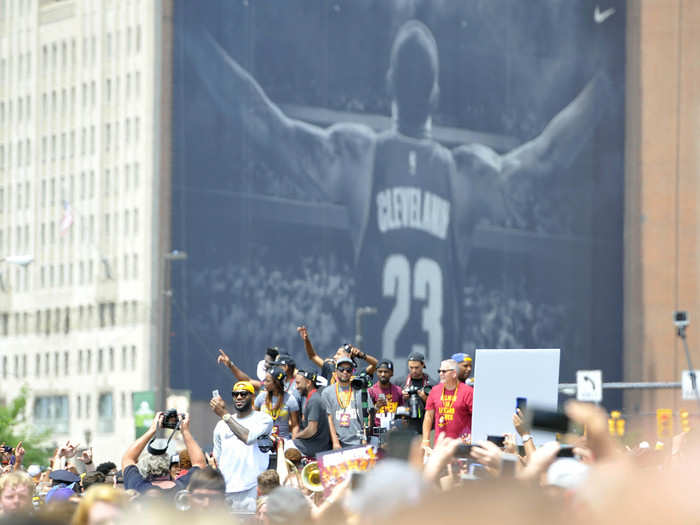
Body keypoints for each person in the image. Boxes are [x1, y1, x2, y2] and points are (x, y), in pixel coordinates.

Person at [185, 18, 613, 375]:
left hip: (374, 392)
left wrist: (192, 36)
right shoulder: (467, 174)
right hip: (438, 400)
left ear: (389, 84)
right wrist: (610, 80)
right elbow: (547, 158)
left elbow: (264, 123)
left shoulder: (358, 158)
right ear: (437, 94)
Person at [210, 380, 274, 508]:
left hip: (253, 488)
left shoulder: (263, 419)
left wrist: (224, 414)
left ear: (253, 397)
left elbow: (248, 438)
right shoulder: (221, 425)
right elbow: (216, 460)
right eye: (235, 394)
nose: (239, 397)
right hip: (227, 490)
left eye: (244, 394)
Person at [121, 412, 206, 494]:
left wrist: (152, 430)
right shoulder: (183, 488)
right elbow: (199, 464)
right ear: (169, 468)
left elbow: (127, 459)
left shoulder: (138, 487)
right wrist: (185, 431)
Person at [322, 357, 375, 448]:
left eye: (348, 370)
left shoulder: (361, 390)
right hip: (339, 443)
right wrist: (335, 442)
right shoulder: (327, 392)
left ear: (352, 371)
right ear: (336, 371)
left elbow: (368, 415)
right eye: (341, 369)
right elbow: (329, 418)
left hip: (359, 441)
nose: (345, 372)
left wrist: (364, 438)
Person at [298, 325, 378, 383]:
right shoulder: (330, 368)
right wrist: (306, 340)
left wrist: (362, 355)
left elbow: (376, 365)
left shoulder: (356, 374)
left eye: (338, 354)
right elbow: (313, 356)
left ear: (348, 356)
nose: (334, 356)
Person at [423, 359, 473, 446]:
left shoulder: (468, 392)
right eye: (439, 371)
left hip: (461, 445)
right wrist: (425, 441)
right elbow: (428, 416)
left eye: (444, 371)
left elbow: (476, 418)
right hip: (440, 445)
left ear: (454, 373)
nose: (440, 374)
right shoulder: (434, 390)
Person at [254, 366, 300, 442]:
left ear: (276, 383)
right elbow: (254, 420)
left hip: (283, 442)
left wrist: (292, 444)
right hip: (263, 442)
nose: (264, 383)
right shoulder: (260, 397)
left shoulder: (290, 399)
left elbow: (295, 425)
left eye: (268, 381)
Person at [292, 369, 332, 457]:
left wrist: (297, 436)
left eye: (298, 383)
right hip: (315, 445)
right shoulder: (313, 398)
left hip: (315, 448)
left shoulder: (314, 400)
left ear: (308, 383)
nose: (296, 387)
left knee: (287, 446)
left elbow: (311, 430)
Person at [394, 351, 432, 433]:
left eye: (417, 367)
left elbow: (438, 407)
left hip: (426, 427)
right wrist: (401, 398)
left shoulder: (431, 383)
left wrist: (426, 399)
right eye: (411, 367)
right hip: (404, 428)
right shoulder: (399, 382)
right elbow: (391, 404)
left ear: (423, 365)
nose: (414, 370)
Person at [367, 359, 404, 429]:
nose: (383, 374)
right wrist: (376, 407)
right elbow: (366, 418)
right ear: (376, 372)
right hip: (376, 434)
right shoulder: (371, 391)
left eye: (386, 372)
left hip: (394, 433)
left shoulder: (398, 390)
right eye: (380, 372)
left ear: (392, 373)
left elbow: (402, 415)